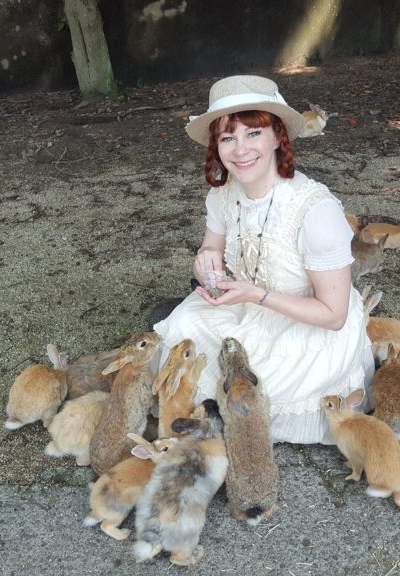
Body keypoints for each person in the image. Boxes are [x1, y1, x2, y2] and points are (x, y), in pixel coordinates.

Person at [153, 75, 374, 444]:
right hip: (244, 305)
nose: (240, 150)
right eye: (228, 137)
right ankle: (218, 414)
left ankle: (229, 420)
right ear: (216, 146)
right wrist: (206, 263)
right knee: (184, 324)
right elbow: (210, 250)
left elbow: (333, 316)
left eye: (253, 134)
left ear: (277, 137)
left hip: (305, 321)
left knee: (267, 375)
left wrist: (256, 295)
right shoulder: (223, 195)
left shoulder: (315, 210)